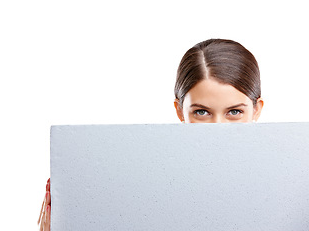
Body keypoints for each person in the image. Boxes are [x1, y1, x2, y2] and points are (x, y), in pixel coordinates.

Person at [37, 38, 264, 230]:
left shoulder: (281, 185)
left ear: (256, 110)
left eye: (234, 111)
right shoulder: (142, 181)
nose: (217, 128)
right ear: (179, 111)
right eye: (201, 112)